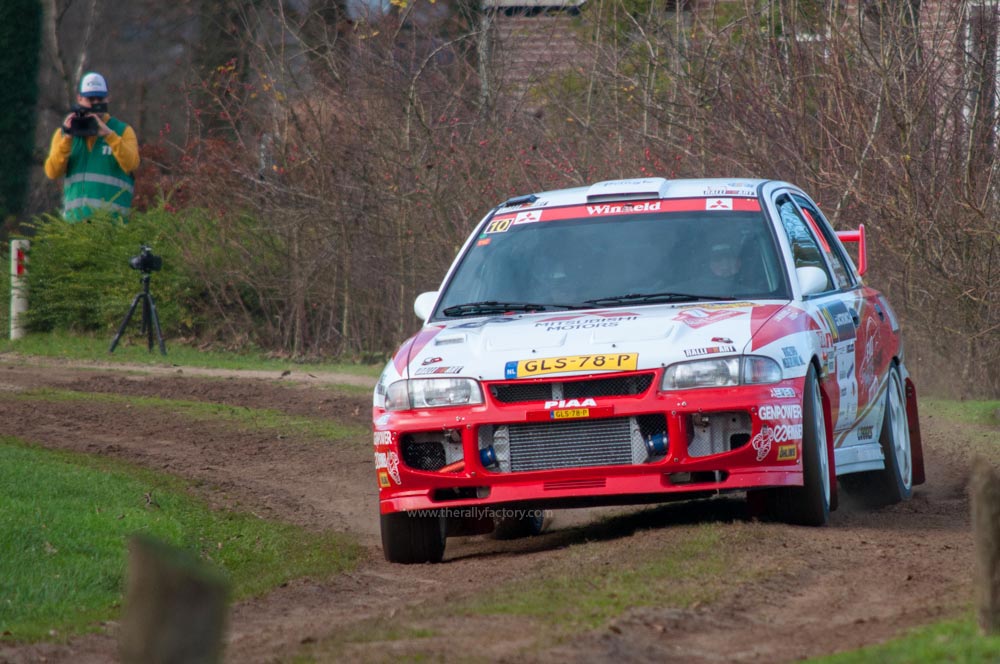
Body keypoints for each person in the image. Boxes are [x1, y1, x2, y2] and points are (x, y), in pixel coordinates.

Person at [44, 72, 139, 222]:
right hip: (75, 228)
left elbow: (132, 164)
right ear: (79, 99)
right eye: (90, 99)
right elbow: (52, 172)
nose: (95, 104)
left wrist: (109, 135)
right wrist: (68, 137)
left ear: (107, 99)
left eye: (99, 99)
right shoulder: (64, 134)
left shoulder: (122, 131)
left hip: (111, 229)